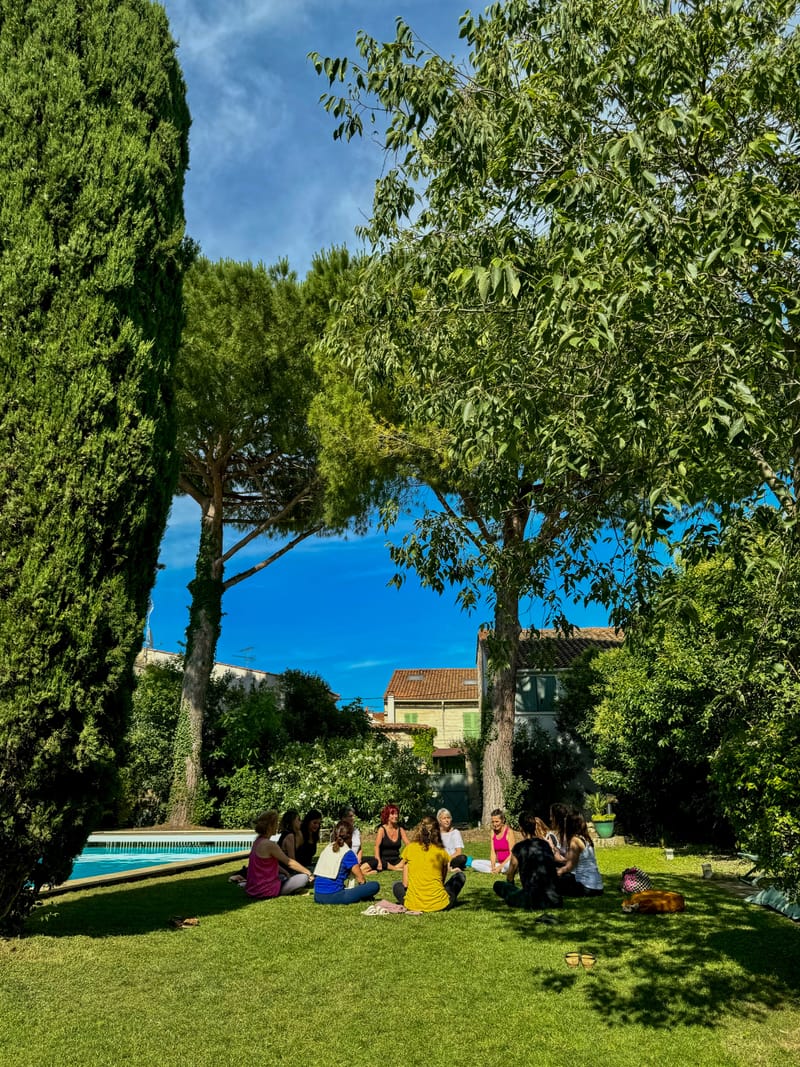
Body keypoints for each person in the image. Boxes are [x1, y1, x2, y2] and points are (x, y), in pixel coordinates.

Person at [392, 815, 466, 912]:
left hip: (413, 904)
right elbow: (442, 881)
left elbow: (405, 884)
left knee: (396, 885)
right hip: (439, 904)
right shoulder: (441, 851)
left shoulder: (410, 848)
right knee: (460, 876)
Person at [493, 811, 562, 910]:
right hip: (554, 898)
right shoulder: (545, 844)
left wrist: (510, 886)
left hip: (533, 899)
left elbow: (510, 875)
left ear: (521, 828)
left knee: (498, 885)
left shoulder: (519, 848)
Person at [245, 810, 314, 900]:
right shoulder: (269, 844)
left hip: (253, 889)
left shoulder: (257, 842)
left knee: (284, 877)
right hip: (266, 890)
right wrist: (308, 873)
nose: (278, 825)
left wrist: (285, 872)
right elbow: (289, 862)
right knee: (303, 877)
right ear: (270, 826)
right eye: (276, 823)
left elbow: (269, 864)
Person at [314, 820, 381, 905]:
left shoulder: (327, 848)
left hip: (317, 895)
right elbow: (361, 880)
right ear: (350, 836)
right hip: (334, 896)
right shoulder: (348, 853)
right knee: (374, 886)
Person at [555, 811, 604, 897]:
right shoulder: (586, 838)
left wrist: (557, 872)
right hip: (597, 887)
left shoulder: (575, 841)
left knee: (554, 882)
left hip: (586, 887)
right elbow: (573, 860)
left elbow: (570, 867)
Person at [470, 809, 516, 874]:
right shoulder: (493, 832)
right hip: (499, 864)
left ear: (503, 820)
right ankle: (494, 870)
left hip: (508, 862)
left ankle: (500, 869)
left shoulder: (509, 832)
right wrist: (493, 866)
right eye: (493, 822)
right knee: (474, 863)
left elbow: (512, 854)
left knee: (508, 865)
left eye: (497, 821)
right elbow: (493, 852)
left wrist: (500, 866)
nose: (494, 824)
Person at [334, 804, 377, 873]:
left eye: (353, 816)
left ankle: (358, 870)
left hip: (356, 859)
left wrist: (358, 860)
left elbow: (360, 849)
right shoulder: (338, 831)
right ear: (343, 818)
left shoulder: (356, 831)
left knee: (375, 860)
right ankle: (359, 871)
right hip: (344, 860)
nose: (353, 818)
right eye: (350, 816)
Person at [374, 803, 410, 871]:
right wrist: (378, 861)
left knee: (409, 861)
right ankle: (396, 868)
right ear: (387, 815)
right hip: (384, 861)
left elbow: (408, 845)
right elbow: (376, 847)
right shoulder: (382, 829)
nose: (396, 816)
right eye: (392, 814)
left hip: (397, 860)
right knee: (376, 862)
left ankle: (394, 867)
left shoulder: (400, 829)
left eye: (397, 814)